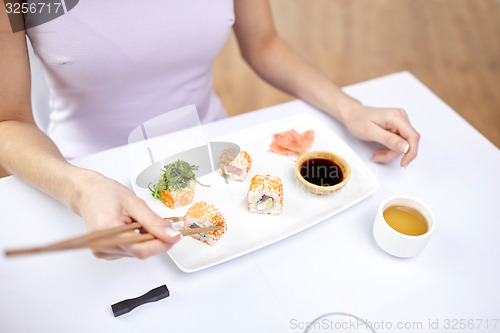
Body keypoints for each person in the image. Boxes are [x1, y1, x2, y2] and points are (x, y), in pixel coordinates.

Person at [0, 0, 420, 260]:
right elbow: (8, 122)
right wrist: (81, 189)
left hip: (219, 167)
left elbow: (263, 44)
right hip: (88, 184)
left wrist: (350, 108)